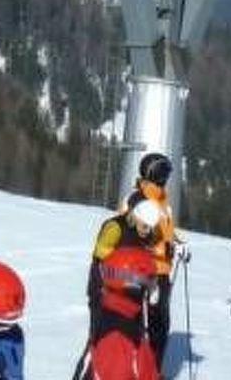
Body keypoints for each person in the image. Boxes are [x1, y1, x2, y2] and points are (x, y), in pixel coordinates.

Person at [89, 152, 182, 372]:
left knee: (158, 323)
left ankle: (149, 370)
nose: (166, 179)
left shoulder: (162, 201)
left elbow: (163, 233)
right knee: (139, 323)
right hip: (139, 271)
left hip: (159, 270)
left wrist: (176, 243)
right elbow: (131, 237)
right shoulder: (138, 200)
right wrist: (162, 250)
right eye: (165, 174)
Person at [81, 245, 161, 380]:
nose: (152, 291)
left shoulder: (121, 319)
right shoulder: (119, 340)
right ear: (134, 286)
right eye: (149, 283)